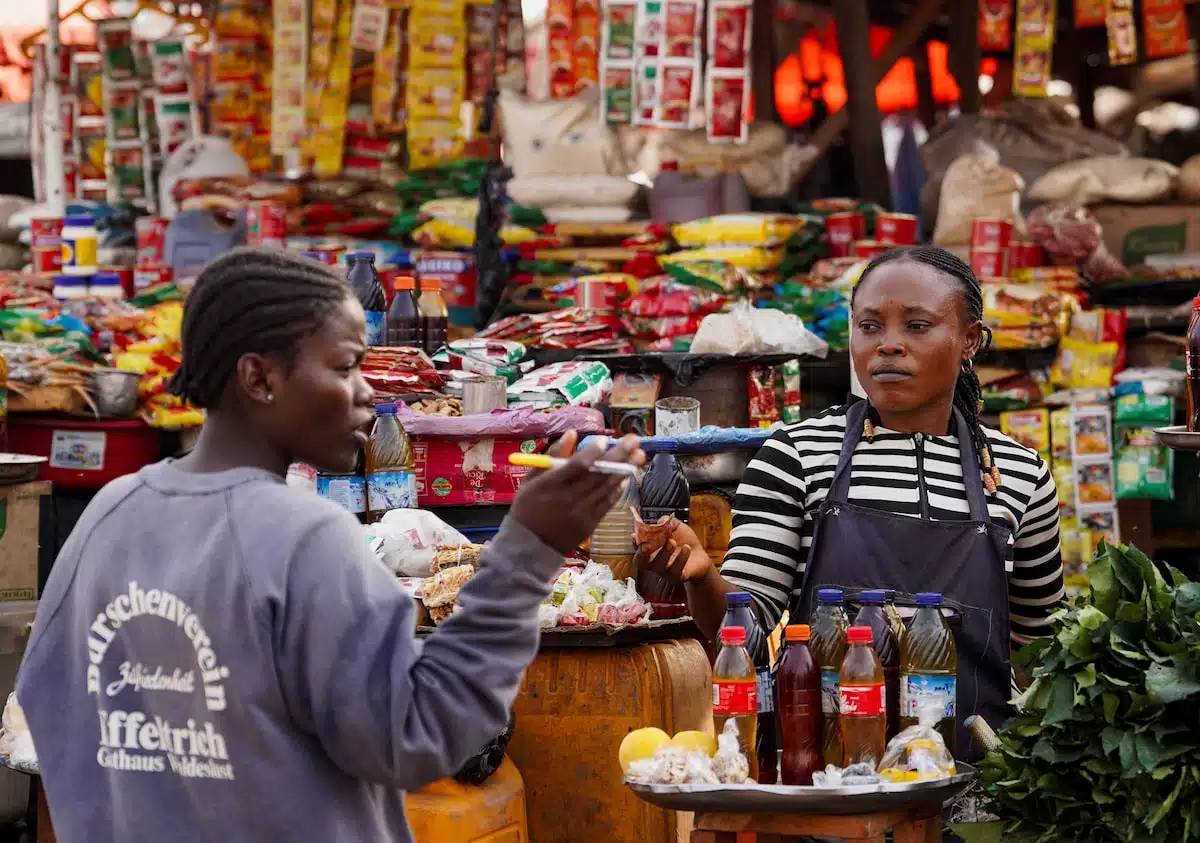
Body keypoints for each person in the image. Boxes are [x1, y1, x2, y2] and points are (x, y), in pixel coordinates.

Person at [15, 248, 642, 843]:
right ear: (259, 377)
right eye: (343, 368)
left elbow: (49, 710)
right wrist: (528, 551)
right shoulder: (306, 536)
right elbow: (419, 733)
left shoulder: (111, 512)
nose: (367, 391)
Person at [639, 246, 1065, 758]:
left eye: (917, 326)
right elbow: (743, 628)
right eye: (869, 326)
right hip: (828, 780)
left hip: (977, 788)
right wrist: (703, 575)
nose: (888, 346)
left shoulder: (1021, 474)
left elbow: (1040, 652)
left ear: (969, 340)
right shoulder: (796, 455)